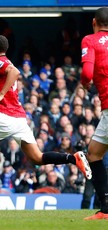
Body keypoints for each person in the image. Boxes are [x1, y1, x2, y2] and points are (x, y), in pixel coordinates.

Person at [0, 34, 92, 210]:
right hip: (18, 118)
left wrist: (0, 95)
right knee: (37, 158)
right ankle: (73, 158)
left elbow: (15, 72)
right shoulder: (1, 67)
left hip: (4, 117)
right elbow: (0, 98)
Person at [79, 7, 108, 220]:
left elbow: (87, 72)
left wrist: (85, 84)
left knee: (95, 155)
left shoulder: (90, 40)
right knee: (94, 152)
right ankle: (105, 208)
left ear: (94, 22)